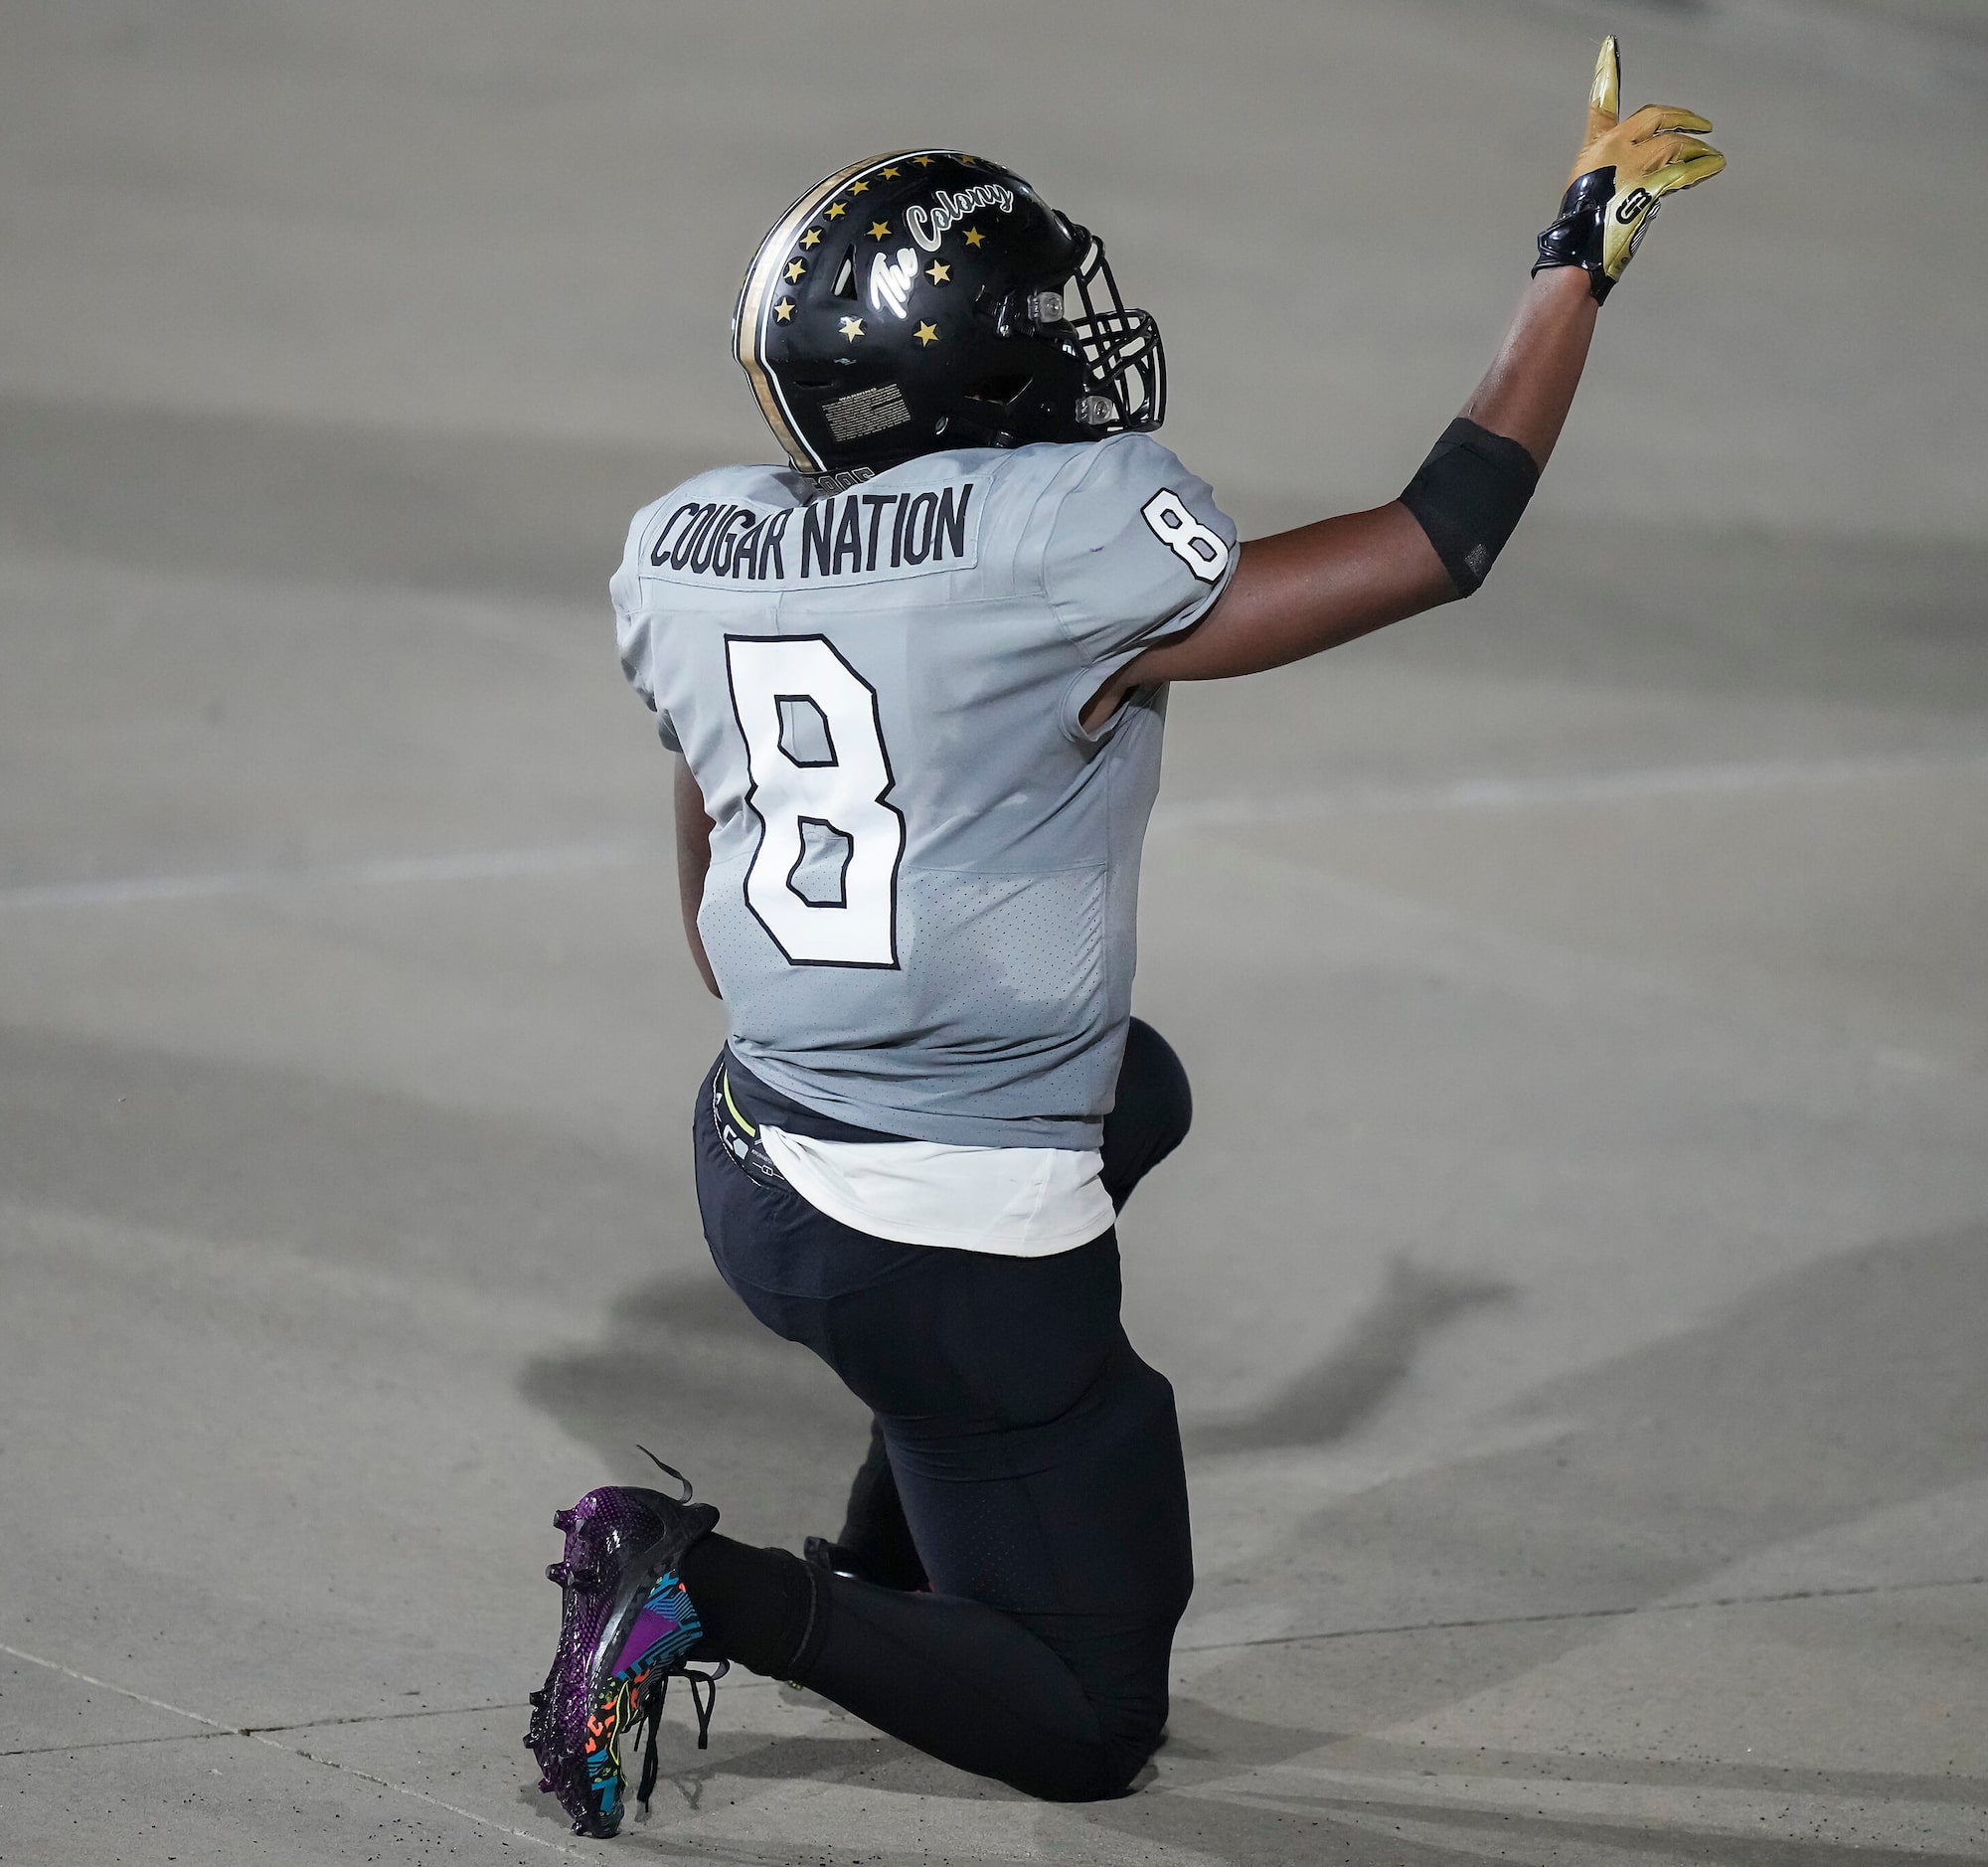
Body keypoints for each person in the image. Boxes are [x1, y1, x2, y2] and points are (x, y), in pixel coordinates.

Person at [525, 40, 1724, 1838]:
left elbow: (716, 915)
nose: (1079, 343)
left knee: (1133, 1091)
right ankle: (701, 1584)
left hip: (752, 1144)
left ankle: (916, 1500)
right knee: (1086, 1722)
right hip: (933, 1236)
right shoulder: (1057, 543)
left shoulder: (693, 544)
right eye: (1038, 321)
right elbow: (1436, 537)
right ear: (970, 368)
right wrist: (1574, 261)